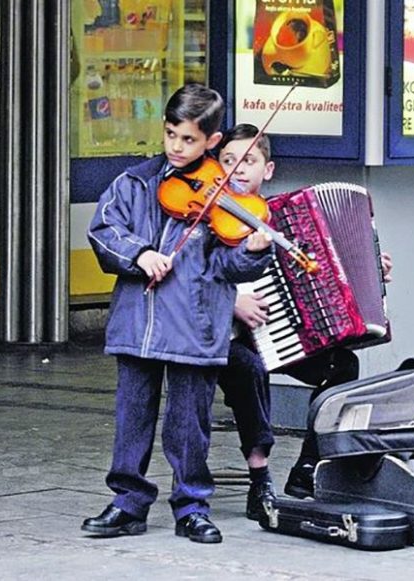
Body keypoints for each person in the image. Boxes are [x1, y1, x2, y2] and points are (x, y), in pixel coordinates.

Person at [81, 85, 272, 543]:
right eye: (171, 135)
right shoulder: (136, 182)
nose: (176, 147)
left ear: (212, 141)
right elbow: (103, 229)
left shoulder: (226, 197)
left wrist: (253, 251)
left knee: (190, 425)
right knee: (133, 418)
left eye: (188, 140)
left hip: (196, 323)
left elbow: (227, 266)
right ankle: (128, 502)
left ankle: (191, 506)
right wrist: (140, 253)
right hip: (139, 322)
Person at [215, 124, 393, 517]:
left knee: (344, 365)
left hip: (277, 332)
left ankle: (308, 467)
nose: (238, 170)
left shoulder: (288, 216)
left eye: (249, 161)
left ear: (269, 169)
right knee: (248, 368)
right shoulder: (210, 218)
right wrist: (231, 300)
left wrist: (369, 268)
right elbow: (192, 273)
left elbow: (325, 272)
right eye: (229, 161)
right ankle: (259, 480)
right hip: (223, 338)